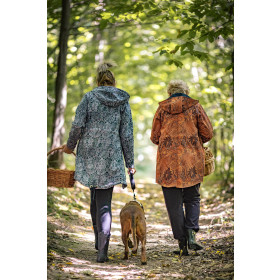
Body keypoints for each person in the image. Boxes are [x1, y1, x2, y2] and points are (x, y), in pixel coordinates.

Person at [63, 62, 136, 263]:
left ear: (99, 81)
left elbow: (77, 125)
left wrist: (70, 146)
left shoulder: (89, 97)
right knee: (103, 202)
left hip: (89, 154)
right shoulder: (122, 101)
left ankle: (100, 244)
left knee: (95, 199)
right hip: (111, 156)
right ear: (114, 82)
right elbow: (127, 134)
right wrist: (129, 161)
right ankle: (101, 247)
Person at [150, 80, 213, 255]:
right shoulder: (195, 107)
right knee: (192, 198)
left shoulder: (162, 109)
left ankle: (182, 243)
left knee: (173, 204)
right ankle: (192, 233)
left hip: (167, 164)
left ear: (169, 93)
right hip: (191, 161)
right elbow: (207, 133)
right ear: (186, 91)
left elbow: (154, 137)